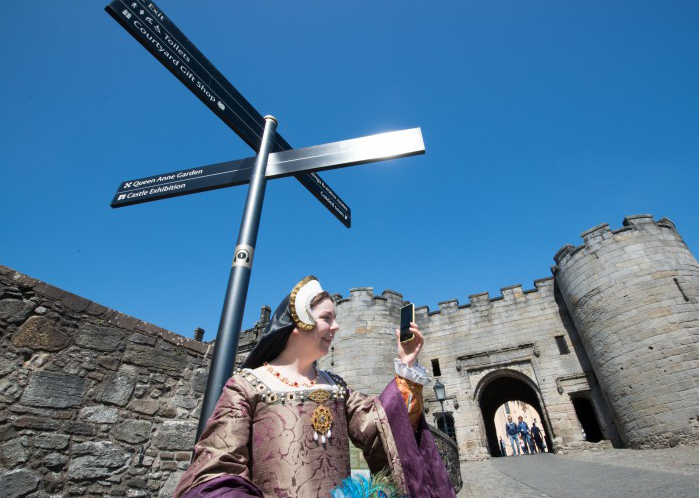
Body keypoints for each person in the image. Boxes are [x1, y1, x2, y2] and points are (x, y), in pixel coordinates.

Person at [173, 276, 457, 498]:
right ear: (299, 321)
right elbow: (216, 471)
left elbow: (380, 425)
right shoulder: (247, 386)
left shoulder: (336, 387)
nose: (335, 328)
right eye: (326, 318)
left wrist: (406, 366)